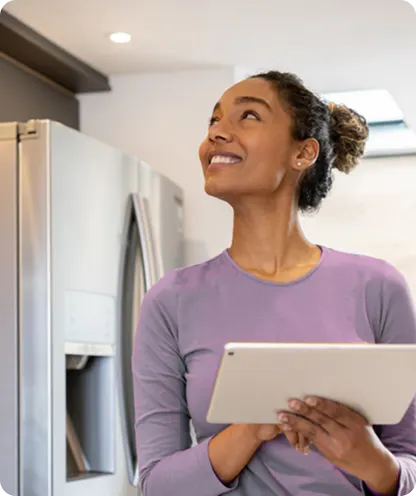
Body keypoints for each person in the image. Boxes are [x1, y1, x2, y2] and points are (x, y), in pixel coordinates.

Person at [132, 70, 416, 496]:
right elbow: (155, 484)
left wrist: (370, 460)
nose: (216, 134)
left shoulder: (379, 288)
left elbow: (409, 462)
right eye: (213, 121)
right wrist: (250, 428)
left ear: (303, 153)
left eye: (247, 116)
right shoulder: (170, 301)